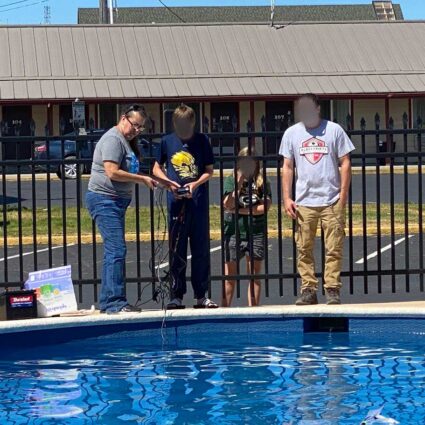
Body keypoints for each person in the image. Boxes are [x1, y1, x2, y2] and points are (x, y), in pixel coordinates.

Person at [280, 93, 355, 305]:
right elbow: (287, 166)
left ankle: (332, 289)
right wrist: (287, 198)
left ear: (317, 109)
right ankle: (308, 290)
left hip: (331, 200)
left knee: (334, 247)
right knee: (303, 248)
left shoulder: (334, 130)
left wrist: (343, 193)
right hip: (304, 202)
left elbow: (345, 162)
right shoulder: (292, 134)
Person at [85, 104, 160, 314]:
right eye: (135, 125)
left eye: (141, 128)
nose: (136, 130)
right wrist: (141, 179)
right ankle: (114, 303)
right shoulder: (112, 139)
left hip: (115, 201)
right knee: (116, 249)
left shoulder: (127, 142)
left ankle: (109, 301)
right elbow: (112, 172)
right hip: (104, 199)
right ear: (123, 118)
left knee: (115, 250)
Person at [152, 104, 218, 309]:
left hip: (197, 203)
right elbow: (155, 168)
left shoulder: (202, 141)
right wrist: (169, 184)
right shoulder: (167, 142)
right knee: (176, 250)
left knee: (200, 250)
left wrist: (195, 184)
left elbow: (209, 170)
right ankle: (176, 295)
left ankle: (201, 295)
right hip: (175, 206)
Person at [222, 147, 272, 307]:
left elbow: (264, 208)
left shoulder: (262, 180)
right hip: (234, 232)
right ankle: (223, 310)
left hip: (256, 232)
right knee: (230, 276)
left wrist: (239, 210)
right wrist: (239, 182)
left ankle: (253, 309)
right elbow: (227, 204)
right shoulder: (231, 180)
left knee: (254, 275)